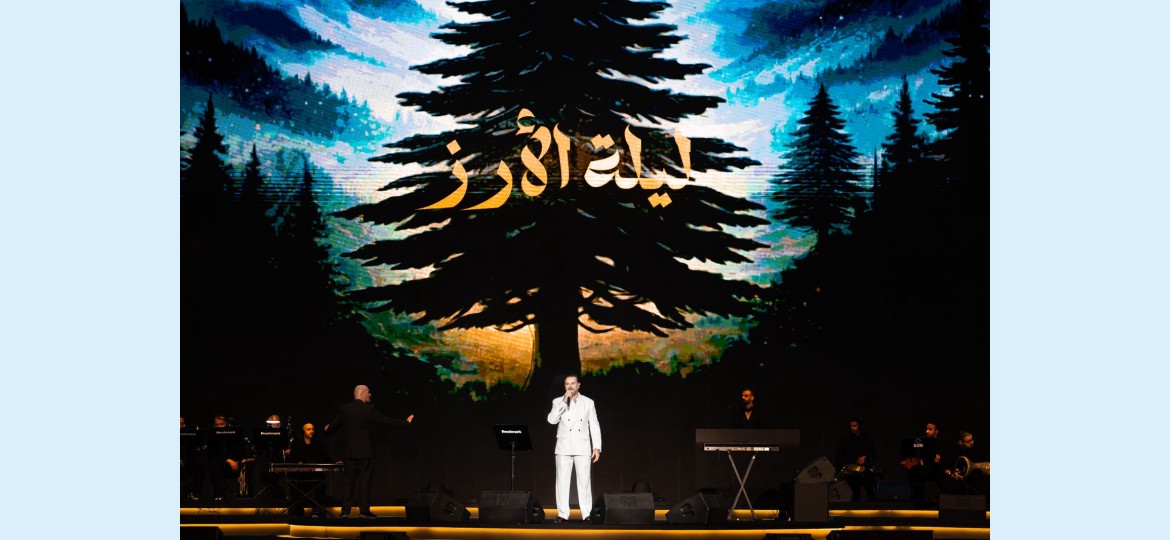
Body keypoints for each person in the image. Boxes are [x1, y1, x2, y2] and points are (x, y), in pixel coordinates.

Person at [325, 385, 414, 519]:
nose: (370, 395)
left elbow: (332, 428)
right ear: (362, 394)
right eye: (368, 392)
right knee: (365, 481)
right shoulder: (369, 409)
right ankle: (364, 511)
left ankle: (345, 511)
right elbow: (386, 420)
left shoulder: (344, 409)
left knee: (348, 482)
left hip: (350, 452)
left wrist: (327, 429)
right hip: (366, 452)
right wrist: (405, 423)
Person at [546, 374, 602, 523]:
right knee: (562, 483)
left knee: (584, 482)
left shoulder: (588, 402)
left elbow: (594, 425)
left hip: (582, 446)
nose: (570, 386)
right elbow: (551, 420)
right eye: (567, 384)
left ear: (578, 385)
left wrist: (596, 447)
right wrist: (564, 401)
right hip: (563, 446)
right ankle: (563, 514)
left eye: (572, 383)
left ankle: (586, 514)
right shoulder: (558, 401)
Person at [286, 422, 334, 517]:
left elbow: (326, 457)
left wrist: (335, 463)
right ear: (303, 432)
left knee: (319, 485)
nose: (311, 431)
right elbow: (291, 459)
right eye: (309, 429)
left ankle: (317, 510)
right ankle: (297, 510)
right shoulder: (296, 444)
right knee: (295, 484)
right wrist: (298, 463)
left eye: (313, 429)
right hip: (301, 475)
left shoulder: (318, 444)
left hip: (315, 475)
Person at [205, 415, 248, 501]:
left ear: (226, 424)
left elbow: (240, 449)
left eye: (221, 424)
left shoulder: (234, 434)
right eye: (217, 425)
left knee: (249, 465)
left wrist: (240, 459)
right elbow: (211, 453)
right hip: (220, 462)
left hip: (235, 462)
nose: (219, 427)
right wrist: (228, 460)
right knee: (213, 464)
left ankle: (245, 495)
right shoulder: (212, 436)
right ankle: (218, 494)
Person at [835, 418, 877, 502]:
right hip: (852, 471)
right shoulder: (846, 439)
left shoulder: (866, 438)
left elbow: (873, 453)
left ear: (859, 426)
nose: (852, 428)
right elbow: (839, 455)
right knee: (854, 494)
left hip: (865, 470)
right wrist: (841, 469)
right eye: (851, 426)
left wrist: (865, 457)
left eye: (854, 426)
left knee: (870, 493)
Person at [902, 421, 942, 509]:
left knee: (916, 472)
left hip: (940, 470)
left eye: (930, 429)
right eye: (926, 429)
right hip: (927, 469)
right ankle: (918, 498)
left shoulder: (941, 443)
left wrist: (937, 460)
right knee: (914, 472)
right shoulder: (925, 443)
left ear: (936, 431)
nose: (927, 431)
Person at [941, 430, 989, 496]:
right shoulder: (951, 450)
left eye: (972, 440)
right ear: (960, 442)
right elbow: (944, 466)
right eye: (969, 441)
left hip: (972, 478)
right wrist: (951, 474)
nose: (972, 442)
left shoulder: (976, 449)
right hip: (955, 478)